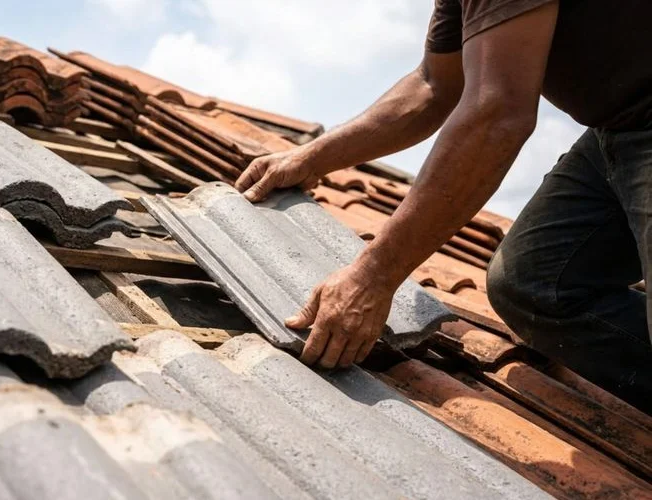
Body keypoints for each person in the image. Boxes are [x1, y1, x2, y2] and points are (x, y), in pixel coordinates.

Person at [235, 0, 651, 412]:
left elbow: (497, 114)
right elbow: (434, 84)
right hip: (619, 126)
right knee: (536, 285)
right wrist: (312, 158)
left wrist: (373, 276)